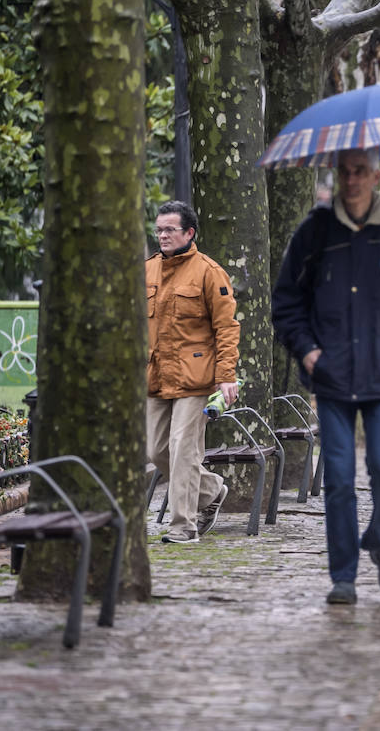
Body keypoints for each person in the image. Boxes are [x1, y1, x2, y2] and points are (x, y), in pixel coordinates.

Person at [272, 148, 380, 606]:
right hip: (332, 377)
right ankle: (343, 575)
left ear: (377, 175)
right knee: (340, 479)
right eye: (343, 172)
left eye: (360, 172)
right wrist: (307, 353)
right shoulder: (315, 232)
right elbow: (286, 302)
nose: (351, 180)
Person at [146, 200, 240, 545]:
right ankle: (211, 489)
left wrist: (225, 375)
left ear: (189, 232)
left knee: (183, 449)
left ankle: (183, 526)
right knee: (157, 450)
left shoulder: (209, 272)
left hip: (195, 376)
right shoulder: (148, 270)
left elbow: (227, 328)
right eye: (159, 229)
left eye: (170, 229)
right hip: (157, 377)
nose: (163, 235)